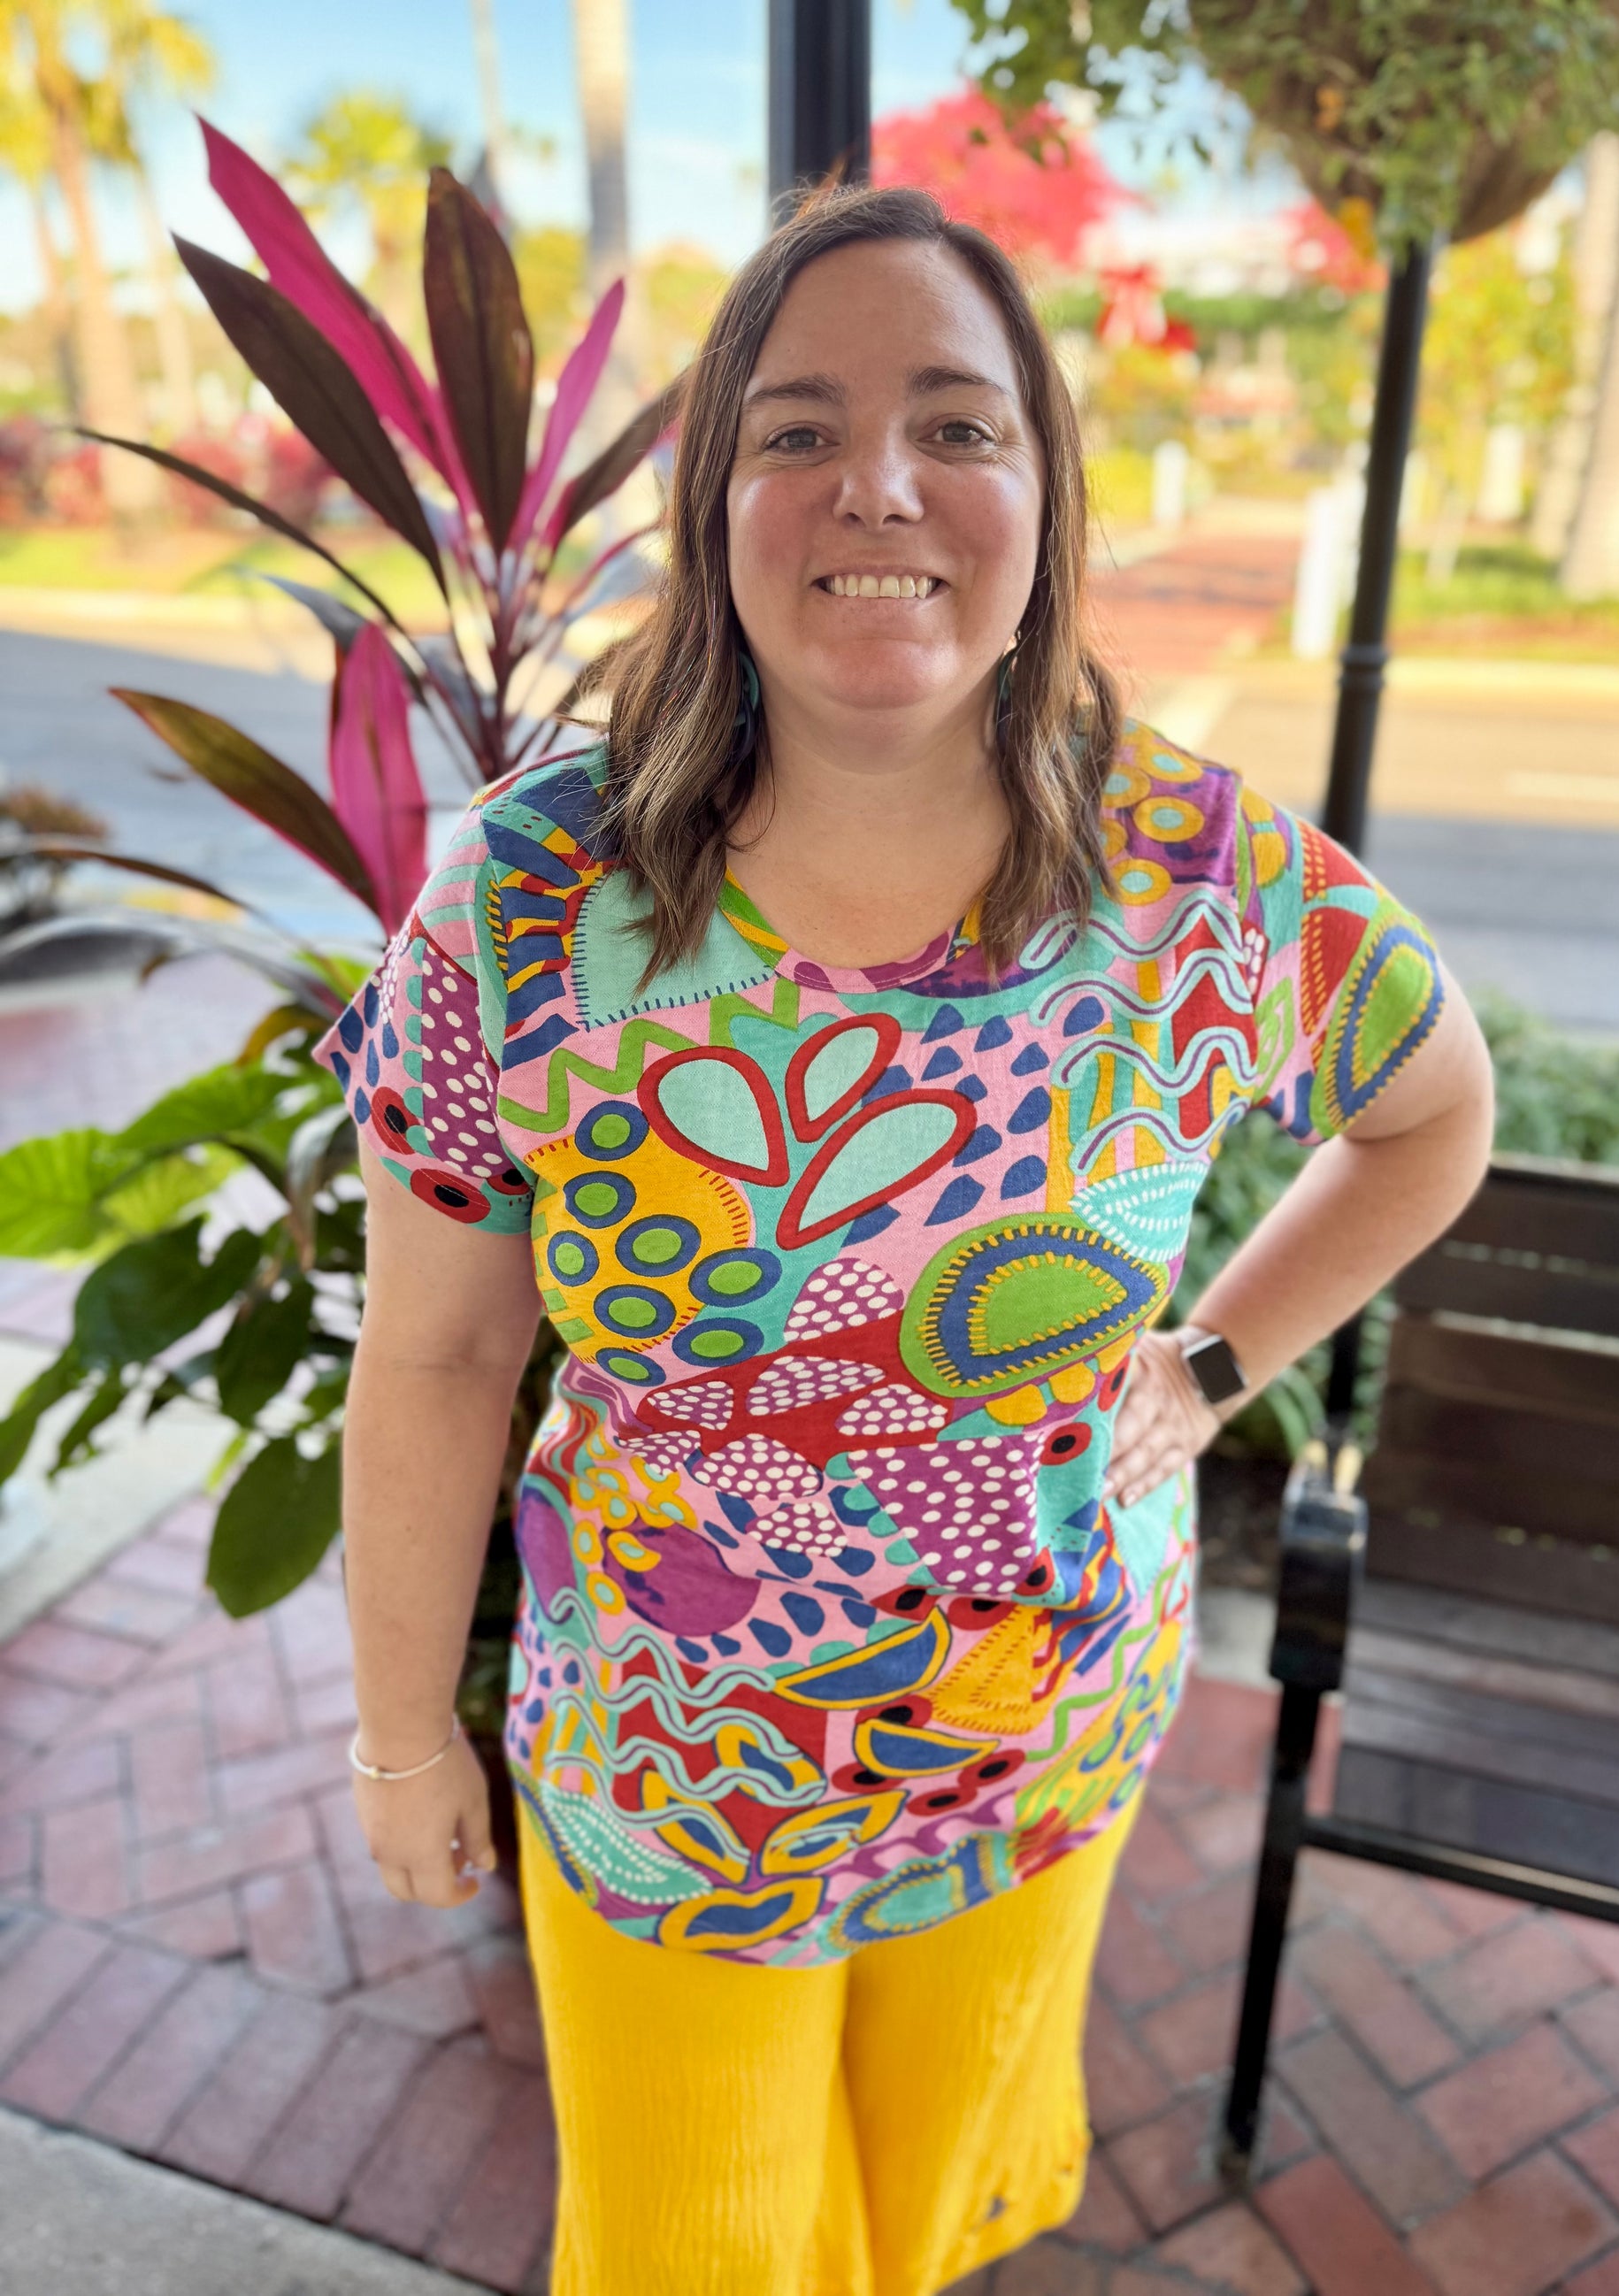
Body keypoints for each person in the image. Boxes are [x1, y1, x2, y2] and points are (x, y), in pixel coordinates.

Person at [318, 185, 1494, 2296]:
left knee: (927, 2195)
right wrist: (407, 1734)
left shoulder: (1200, 874)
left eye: (957, 423)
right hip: (677, 1768)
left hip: (1045, 1725)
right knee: (695, 2249)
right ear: (714, 502)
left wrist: (1211, 1362)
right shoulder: (528, 898)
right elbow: (434, 1355)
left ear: (1042, 491)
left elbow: (1431, 1116)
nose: (879, 483)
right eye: (798, 429)